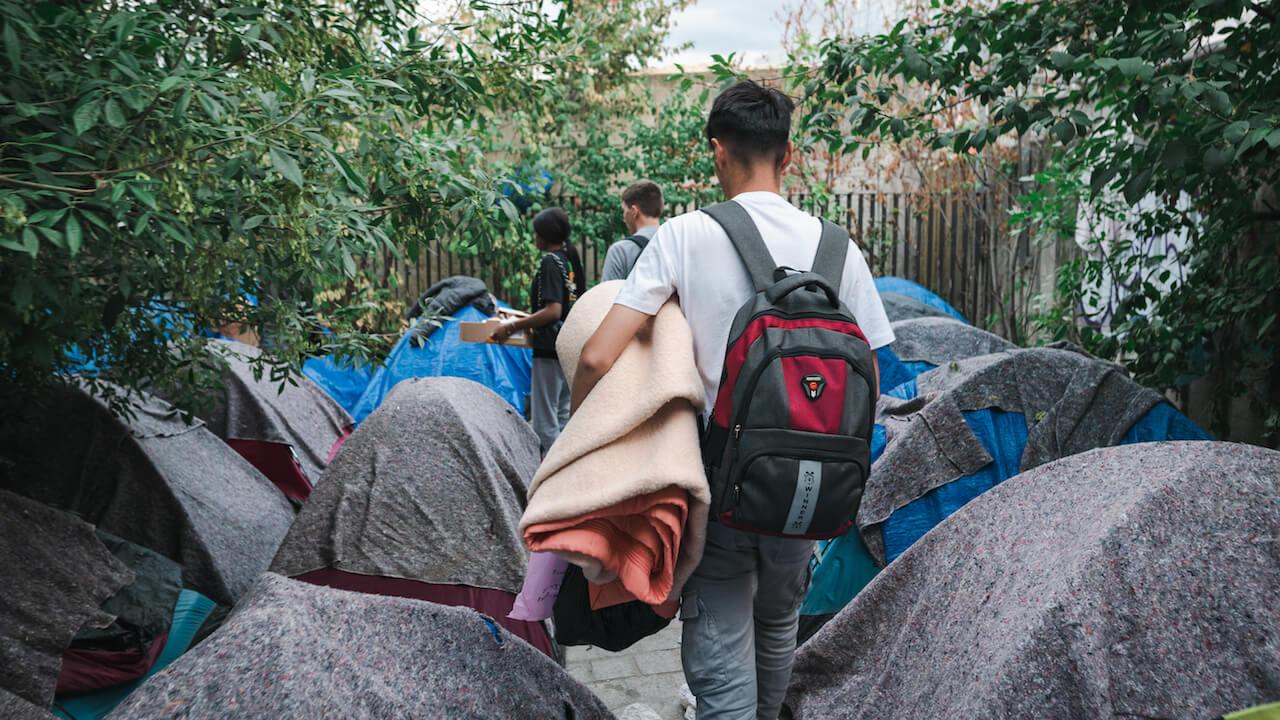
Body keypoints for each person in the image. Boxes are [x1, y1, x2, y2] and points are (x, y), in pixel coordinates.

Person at [568, 80, 895, 719]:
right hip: (808, 490)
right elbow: (873, 381)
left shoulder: (685, 236)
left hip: (716, 484)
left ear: (718, 152)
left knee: (720, 665)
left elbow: (598, 355)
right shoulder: (838, 247)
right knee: (778, 626)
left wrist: (587, 444)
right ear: (790, 155)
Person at [493, 207, 585, 455]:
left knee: (544, 422)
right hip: (569, 346)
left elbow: (553, 310)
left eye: (536, 233)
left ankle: (552, 476)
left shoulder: (549, 262)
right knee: (563, 416)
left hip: (549, 348)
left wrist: (511, 326)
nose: (534, 238)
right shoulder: (570, 261)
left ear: (544, 236)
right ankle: (570, 469)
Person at [601, 180, 664, 282]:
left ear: (634, 211)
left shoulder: (620, 251)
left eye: (624, 211)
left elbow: (607, 295)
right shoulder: (677, 244)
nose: (624, 218)